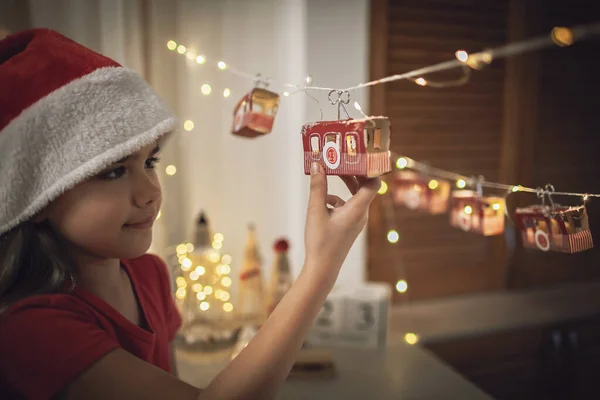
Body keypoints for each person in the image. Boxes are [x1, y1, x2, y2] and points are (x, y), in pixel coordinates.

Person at [0, 28, 380, 399]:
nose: (150, 192)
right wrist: (321, 268)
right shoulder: (32, 328)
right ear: (37, 198)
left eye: (150, 161)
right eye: (113, 171)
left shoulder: (151, 276)